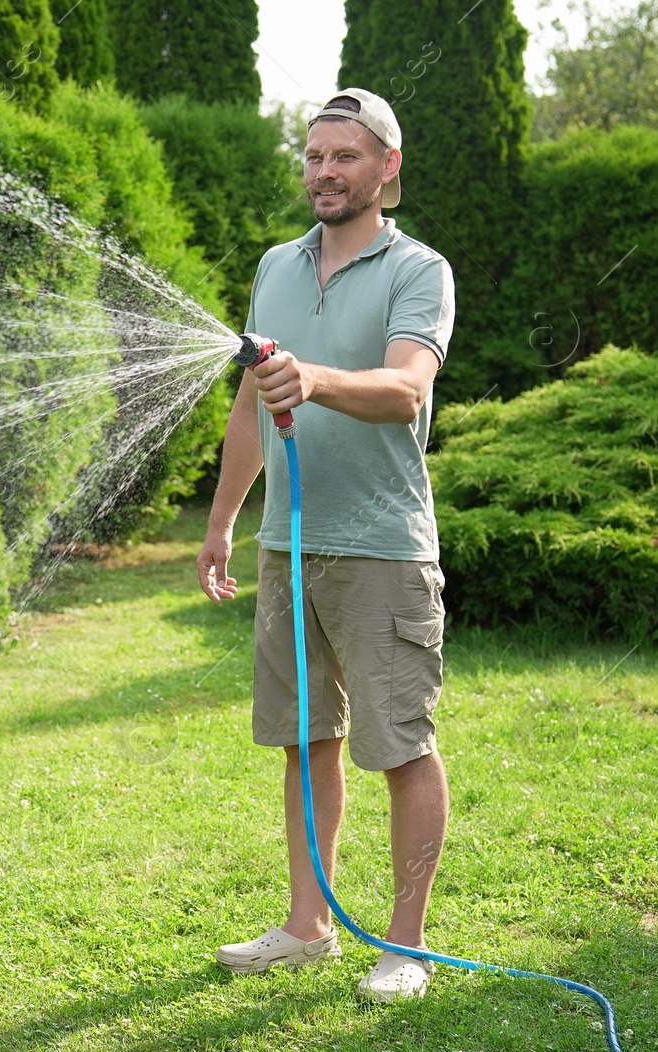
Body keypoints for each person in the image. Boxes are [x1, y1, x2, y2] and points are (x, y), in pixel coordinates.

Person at [195, 88, 456, 1003]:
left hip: (381, 546)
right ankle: (308, 925)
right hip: (289, 544)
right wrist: (227, 516)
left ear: (387, 167)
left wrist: (315, 377)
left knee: (401, 746)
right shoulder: (274, 266)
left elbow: (405, 389)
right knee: (307, 741)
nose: (324, 171)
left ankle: (407, 944)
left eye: (344, 156)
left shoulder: (417, 268)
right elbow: (248, 399)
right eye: (313, 155)